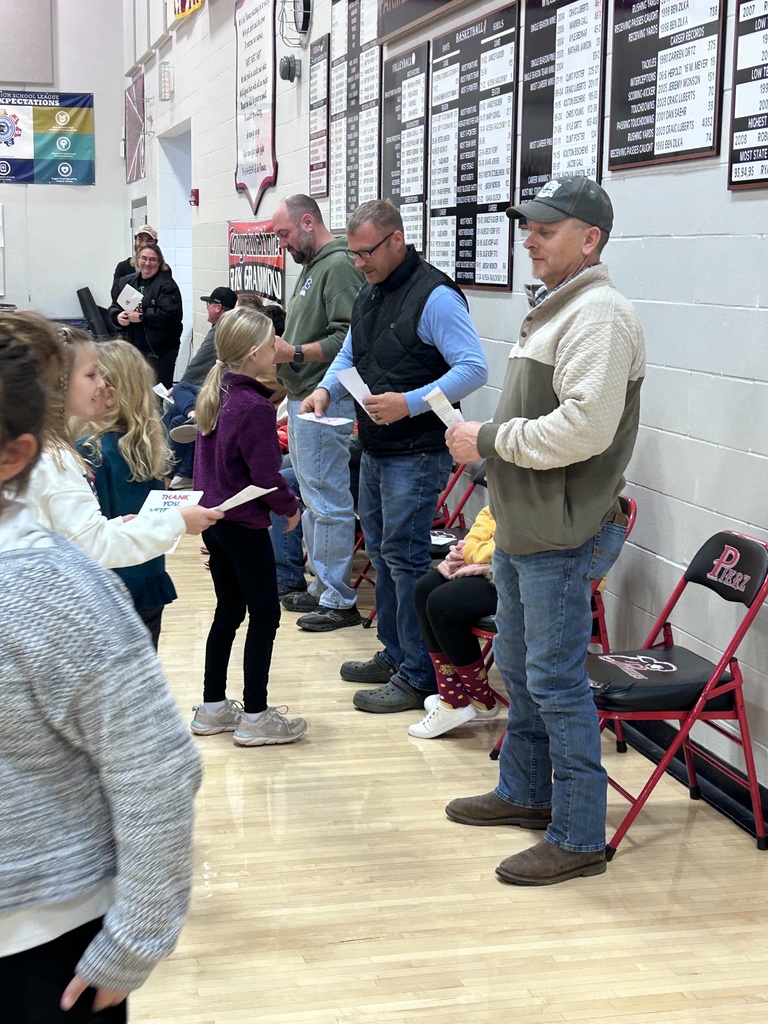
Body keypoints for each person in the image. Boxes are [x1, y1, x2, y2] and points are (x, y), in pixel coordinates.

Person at [444, 176, 646, 886]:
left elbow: (584, 429)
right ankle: (525, 792)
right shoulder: (557, 308)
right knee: (522, 670)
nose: (528, 239)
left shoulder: (601, 316)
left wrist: (489, 439)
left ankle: (579, 835)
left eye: (546, 229)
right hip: (525, 527)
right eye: (526, 227)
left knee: (558, 683)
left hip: (562, 533)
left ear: (589, 239)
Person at [0, 312, 202, 1022]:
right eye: (88, 373)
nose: (101, 386)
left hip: (39, 943)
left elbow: (156, 769)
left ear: (13, 454)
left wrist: (136, 935)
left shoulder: (55, 592)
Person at [301, 199, 488, 712]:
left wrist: (408, 403)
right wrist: (326, 389)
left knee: (405, 559)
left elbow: (473, 368)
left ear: (397, 240)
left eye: (366, 253)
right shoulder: (370, 290)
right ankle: (395, 652)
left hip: (418, 450)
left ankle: (419, 674)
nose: (358, 263)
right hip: (376, 444)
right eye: (353, 254)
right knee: (383, 553)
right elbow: (351, 352)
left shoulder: (436, 297)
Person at [191, 306, 307, 747]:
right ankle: (256, 715)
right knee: (265, 615)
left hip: (216, 523)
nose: (280, 348)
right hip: (243, 525)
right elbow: (266, 475)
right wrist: (289, 507)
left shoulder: (216, 392)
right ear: (255, 352)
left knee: (228, 610)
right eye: (274, 342)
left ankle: (212, 707)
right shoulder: (253, 406)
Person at [24, 325, 220, 567]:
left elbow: (76, 535)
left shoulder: (55, 450)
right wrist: (176, 521)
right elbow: (94, 549)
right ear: (58, 382)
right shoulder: (56, 458)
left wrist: (117, 526)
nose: (101, 384)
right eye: (91, 375)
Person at [270, 194, 364, 632]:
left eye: (285, 233)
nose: (283, 243)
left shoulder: (339, 265)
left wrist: (294, 352)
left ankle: (339, 598)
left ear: (308, 222)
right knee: (313, 500)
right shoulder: (313, 264)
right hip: (303, 395)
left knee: (327, 501)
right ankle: (322, 584)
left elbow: (350, 337)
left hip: (325, 398)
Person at [77, 340, 179, 649]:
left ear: (108, 394)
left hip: (109, 585)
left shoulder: (90, 450)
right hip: (149, 576)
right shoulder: (149, 448)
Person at [409, 506, 500, 738]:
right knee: (425, 588)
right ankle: (467, 697)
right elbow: (490, 513)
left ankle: (456, 704)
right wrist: (469, 547)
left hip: (526, 572)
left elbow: (523, 535)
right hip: (492, 560)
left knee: (443, 603)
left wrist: (472, 554)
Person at [109, 241, 183, 387]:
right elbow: (114, 306)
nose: (147, 263)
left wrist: (142, 318)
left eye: (152, 259)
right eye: (144, 258)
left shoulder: (167, 285)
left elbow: (171, 316)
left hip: (159, 351)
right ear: (137, 259)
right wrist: (117, 316)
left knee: (157, 392)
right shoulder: (126, 282)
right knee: (135, 390)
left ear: (159, 263)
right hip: (132, 348)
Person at [180, 285, 239, 387]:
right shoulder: (234, 326)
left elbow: (199, 364)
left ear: (218, 307)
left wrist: (181, 387)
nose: (207, 307)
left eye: (209, 304)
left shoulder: (220, 330)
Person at [110, 223, 160, 301]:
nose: (144, 244)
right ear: (135, 241)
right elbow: (116, 295)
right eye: (140, 239)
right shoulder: (123, 267)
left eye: (149, 241)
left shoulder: (163, 269)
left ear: (155, 244)